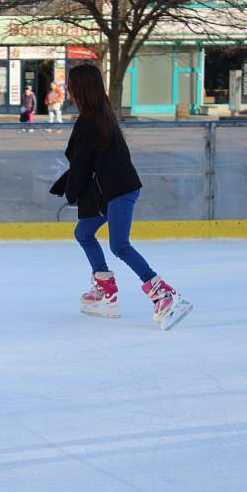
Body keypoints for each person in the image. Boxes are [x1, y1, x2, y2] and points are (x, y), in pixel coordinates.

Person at [49, 63, 192, 330]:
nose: (68, 88)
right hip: (109, 191)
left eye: (71, 84)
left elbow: (82, 165)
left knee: (119, 245)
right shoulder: (97, 116)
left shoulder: (92, 121)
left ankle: (164, 293)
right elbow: (89, 162)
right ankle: (105, 289)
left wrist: (71, 191)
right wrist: (70, 185)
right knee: (84, 232)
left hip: (120, 191)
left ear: (81, 88)